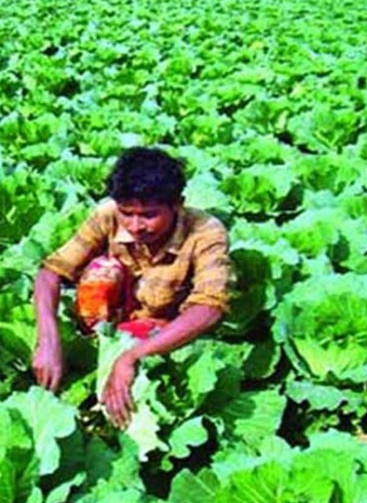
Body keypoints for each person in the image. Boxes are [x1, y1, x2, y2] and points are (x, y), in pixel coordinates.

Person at [33, 147, 232, 428]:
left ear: (177, 205)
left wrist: (132, 356)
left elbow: (210, 308)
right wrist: (49, 339)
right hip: (110, 319)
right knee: (103, 273)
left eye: (149, 215)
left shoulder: (206, 231)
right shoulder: (108, 215)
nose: (136, 226)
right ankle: (95, 344)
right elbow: (50, 273)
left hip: (163, 330)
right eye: (127, 213)